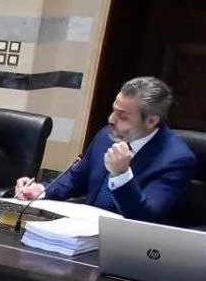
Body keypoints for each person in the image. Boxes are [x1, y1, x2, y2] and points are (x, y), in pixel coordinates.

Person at [15, 76, 196, 223]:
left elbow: (146, 216)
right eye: (114, 110)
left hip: (128, 246)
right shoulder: (106, 135)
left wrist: (121, 175)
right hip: (85, 228)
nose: (111, 119)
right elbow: (76, 178)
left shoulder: (176, 160)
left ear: (151, 121)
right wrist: (41, 190)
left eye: (122, 116)